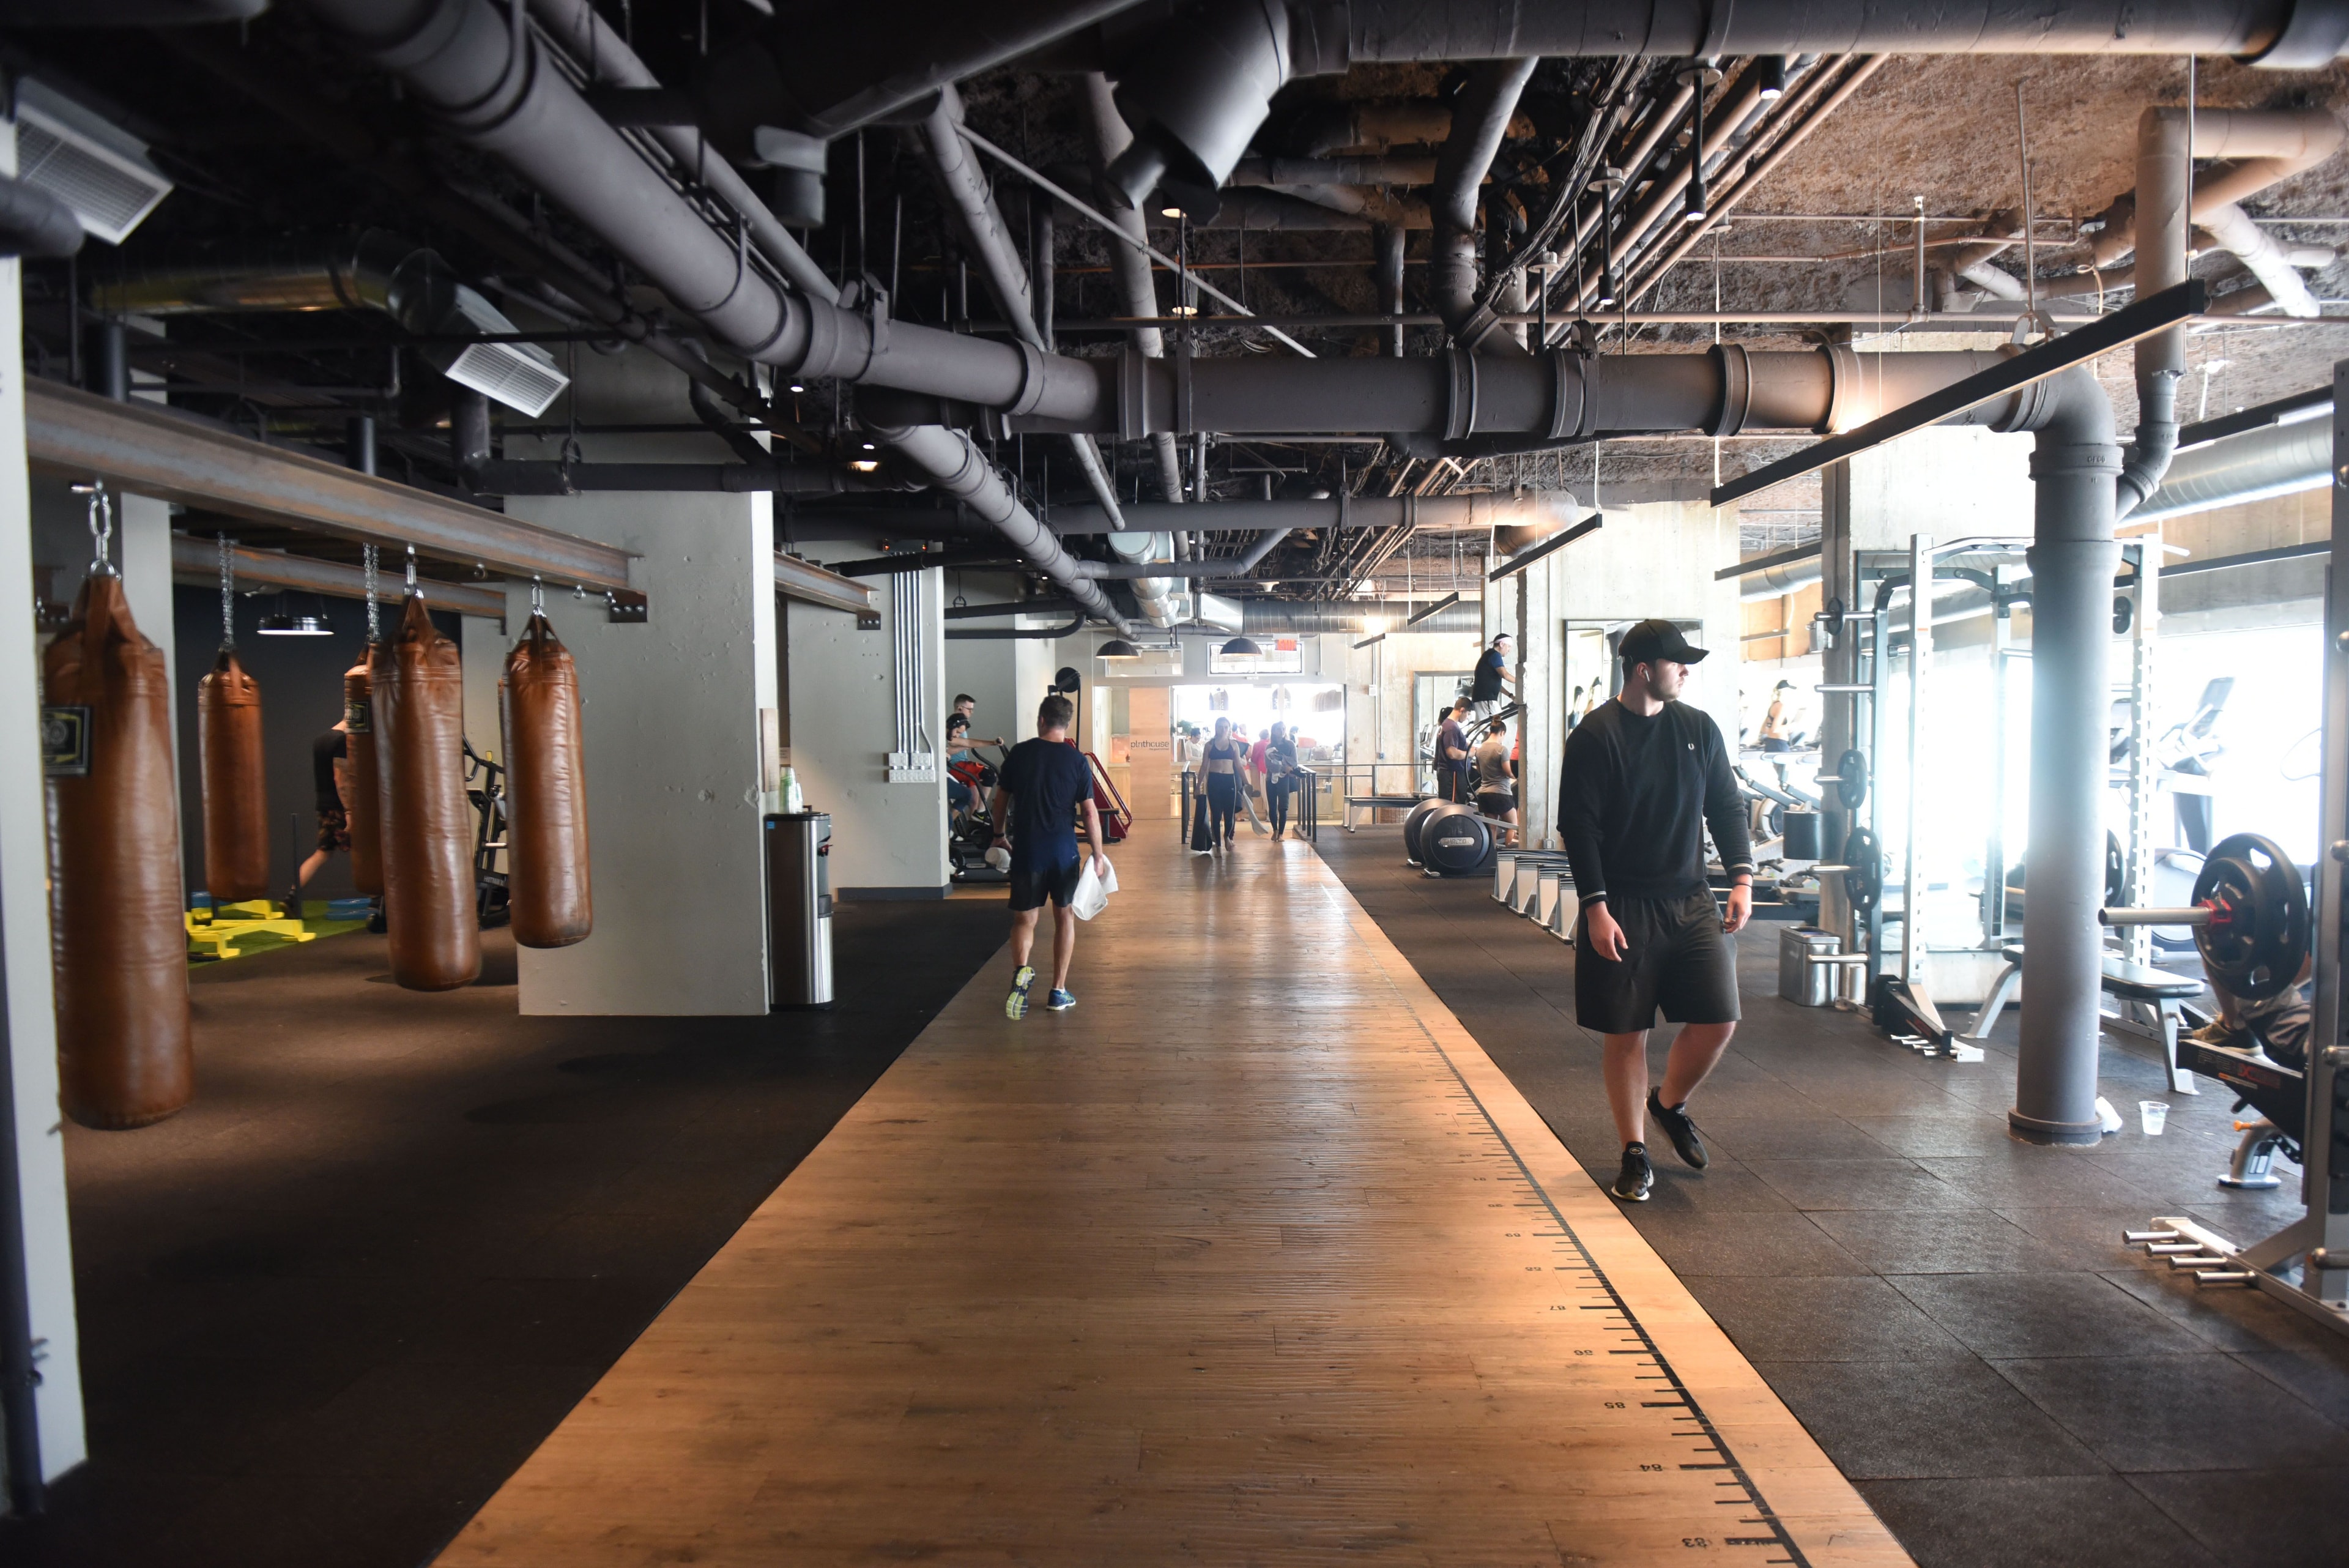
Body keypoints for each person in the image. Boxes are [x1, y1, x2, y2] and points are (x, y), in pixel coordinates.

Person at [1557, 619, 1754, 1204]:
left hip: (1691, 898)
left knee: (1721, 1017)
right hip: (1623, 902)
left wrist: (1741, 877)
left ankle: (1668, 1105)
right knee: (1628, 1032)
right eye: (1677, 663)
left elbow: (1725, 804)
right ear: (1645, 669)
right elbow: (1580, 828)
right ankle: (1634, 1151)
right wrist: (1595, 907)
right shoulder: (1596, 735)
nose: (1686, 671)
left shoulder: (1697, 728)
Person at [991, 693, 1108, 1019]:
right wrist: (1097, 855)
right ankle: (1058, 990)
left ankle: (1021, 971)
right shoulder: (1077, 761)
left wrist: (999, 835)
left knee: (1025, 920)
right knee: (1064, 917)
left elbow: (1000, 801)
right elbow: (1089, 812)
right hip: (1063, 851)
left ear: (1041, 720)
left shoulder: (1019, 754)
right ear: (1066, 724)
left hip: (1028, 850)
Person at [292, 713, 354, 918]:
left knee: (322, 853)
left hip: (324, 804)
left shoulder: (322, 739)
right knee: (368, 851)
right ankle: (378, 898)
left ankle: (292, 895)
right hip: (339, 806)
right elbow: (340, 778)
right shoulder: (342, 740)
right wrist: (349, 811)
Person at [1200, 716, 1245, 851]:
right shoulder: (1209, 745)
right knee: (1216, 814)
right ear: (1216, 728)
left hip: (1229, 780)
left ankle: (1227, 837)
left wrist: (1247, 783)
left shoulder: (1234, 745)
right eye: (1221, 727)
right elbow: (1203, 767)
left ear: (1229, 728)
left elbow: (1239, 765)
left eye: (1226, 727)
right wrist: (1198, 786)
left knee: (1229, 813)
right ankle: (1218, 845)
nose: (1223, 730)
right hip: (1214, 781)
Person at [1473, 719, 1518, 847]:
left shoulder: (1480, 750)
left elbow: (1480, 771)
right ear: (1502, 733)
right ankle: (1509, 857)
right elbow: (1508, 772)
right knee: (1513, 826)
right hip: (1501, 794)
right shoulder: (1501, 750)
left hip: (1484, 794)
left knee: (1491, 828)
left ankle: (1492, 858)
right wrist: (1520, 776)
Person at [1435, 697, 1474, 803]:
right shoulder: (1451, 727)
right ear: (1462, 710)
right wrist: (1471, 753)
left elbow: (1457, 742)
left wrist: (1470, 746)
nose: (1468, 717)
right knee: (1452, 807)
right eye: (1468, 714)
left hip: (1452, 773)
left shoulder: (1449, 725)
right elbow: (1452, 753)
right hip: (1452, 774)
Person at [1265, 722, 1299, 838]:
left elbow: (1294, 762)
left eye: (1284, 729)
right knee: (1272, 805)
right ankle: (1275, 830)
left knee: (1283, 806)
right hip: (1271, 778)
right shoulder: (1269, 747)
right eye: (1279, 729)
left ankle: (1281, 834)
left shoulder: (1290, 745)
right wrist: (1284, 766)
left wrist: (1282, 760)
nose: (1282, 731)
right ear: (1274, 731)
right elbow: (1269, 765)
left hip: (1285, 779)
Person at [1471, 633, 1515, 720]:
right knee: (1496, 727)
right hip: (1486, 699)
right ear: (1502, 644)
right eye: (1509, 646)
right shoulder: (1495, 655)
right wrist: (1522, 682)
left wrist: (1510, 695)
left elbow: (1494, 684)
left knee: (1491, 729)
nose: (1509, 650)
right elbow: (1505, 675)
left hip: (1483, 699)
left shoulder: (1489, 655)